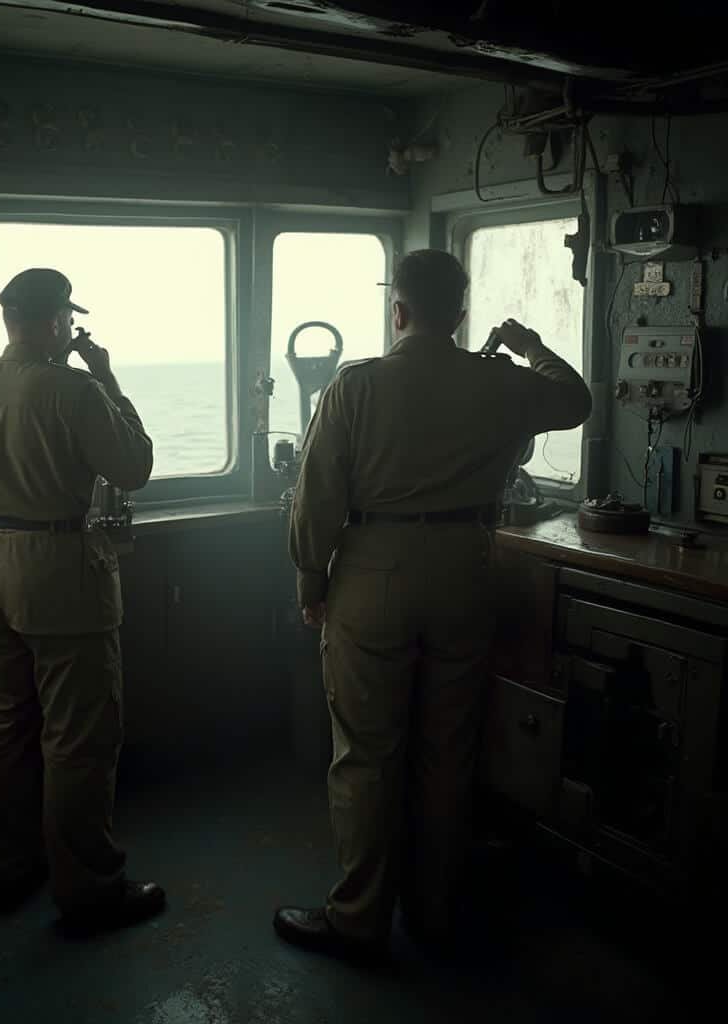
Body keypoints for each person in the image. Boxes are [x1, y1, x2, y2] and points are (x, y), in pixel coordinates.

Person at [274, 249, 592, 960]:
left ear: (399, 310)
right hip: (468, 570)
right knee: (448, 754)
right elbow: (575, 401)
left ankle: (358, 918)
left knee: (365, 755)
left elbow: (316, 498)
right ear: (460, 312)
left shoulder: (357, 386)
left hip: (375, 572)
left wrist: (310, 583)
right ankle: (434, 911)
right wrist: (531, 346)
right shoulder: (501, 380)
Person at [0, 268, 164, 933]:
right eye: (67, 323)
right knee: (78, 737)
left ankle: (13, 864)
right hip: (62, 578)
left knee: (3, 727)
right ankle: (89, 889)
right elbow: (134, 466)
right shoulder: (75, 390)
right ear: (56, 323)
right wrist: (106, 376)